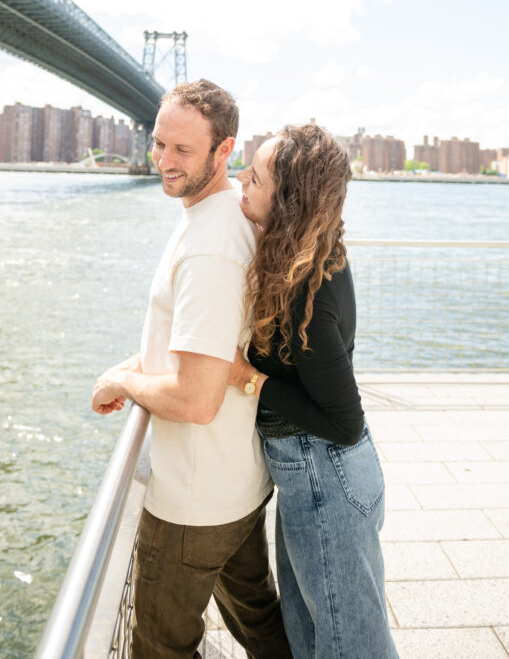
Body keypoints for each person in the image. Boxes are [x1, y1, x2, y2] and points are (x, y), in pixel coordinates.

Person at [91, 80, 291, 659]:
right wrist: (136, 362)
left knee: (159, 649)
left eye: (182, 150)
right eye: (158, 144)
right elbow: (196, 344)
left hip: (191, 506)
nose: (163, 161)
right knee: (263, 628)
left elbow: (197, 399)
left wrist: (123, 382)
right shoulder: (229, 210)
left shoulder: (208, 246)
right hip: (237, 485)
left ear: (224, 149)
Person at [229, 124, 400, 659]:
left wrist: (247, 378)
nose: (241, 181)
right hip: (312, 478)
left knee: (351, 650)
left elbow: (344, 420)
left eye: (254, 178)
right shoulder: (305, 255)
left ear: (287, 200)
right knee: (309, 641)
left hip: (327, 476)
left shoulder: (310, 289)